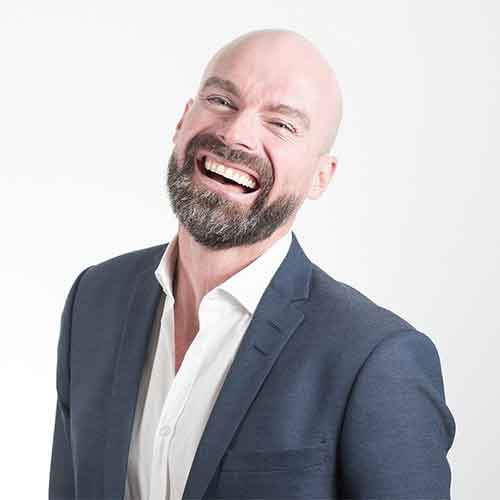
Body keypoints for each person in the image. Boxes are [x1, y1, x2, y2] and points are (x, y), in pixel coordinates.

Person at [49, 29, 455, 500]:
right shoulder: (95, 300)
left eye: (281, 124)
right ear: (182, 119)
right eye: (221, 100)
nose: (235, 133)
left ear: (320, 177)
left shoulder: (377, 360)